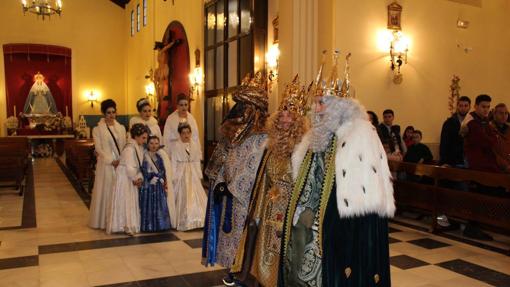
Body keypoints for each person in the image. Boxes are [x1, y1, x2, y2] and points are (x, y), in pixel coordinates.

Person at [279, 78, 395, 286]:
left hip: (348, 221)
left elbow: (365, 191)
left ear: (338, 105)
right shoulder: (317, 136)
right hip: (317, 215)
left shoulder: (361, 134)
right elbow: (312, 177)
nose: (316, 109)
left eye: (321, 103)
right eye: (315, 103)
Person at [230, 75, 309, 286]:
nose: (283, 117)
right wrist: (256, 213)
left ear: (297, 119)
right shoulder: (270, 145)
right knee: (266, 250)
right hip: (269, 207)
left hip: (291, 207)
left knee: (286, 251)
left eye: (289, 113)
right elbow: (264, 179)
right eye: (282, 111)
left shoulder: (304, 147)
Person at [202, 73, 268, 286]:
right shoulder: (235, 132)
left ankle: (245, 272)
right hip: (230, 193)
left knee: (245, 235)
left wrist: (233, 187)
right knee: (229, 234)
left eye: (244, 106)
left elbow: (254, 167)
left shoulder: (263, 137)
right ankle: (232, 267)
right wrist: (221, 182)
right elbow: (225, 160)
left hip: (246, 196)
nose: (238, 111)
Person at [89, 99, 126, 229]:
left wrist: (121, 160)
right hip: (106, 164)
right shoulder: (97, 130)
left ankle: (119, 220)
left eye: (113, 112)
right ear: (104, 114)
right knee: (106, 190)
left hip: (120, 163)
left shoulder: (121, 128)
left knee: (119, 190)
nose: (111, 115)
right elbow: (99, 148)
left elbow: (124, 145)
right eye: (108, 113)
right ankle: (105, 221)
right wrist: (111, 161)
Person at [106, 123, 149, 235]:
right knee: (126, 199)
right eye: (143, 138)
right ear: (136, 136)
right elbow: (130, 167)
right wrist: (136, 179)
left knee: (129, 199)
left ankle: (126, 224)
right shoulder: (130, 148)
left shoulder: (136, 146)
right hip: (125, 177)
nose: (145, 141)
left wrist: (138, 177)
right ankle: (123, 224)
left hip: (128, 176)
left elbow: (136, 166)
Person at [171, 122, 207, 231]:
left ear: (191, 133)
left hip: (192, 172)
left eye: (188, 133)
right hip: (181, 172)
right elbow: (173, 162)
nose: (186, 135)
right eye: (183, 133)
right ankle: (184, 220)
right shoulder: (176, 146)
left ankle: (198, 219)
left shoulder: (194, 144)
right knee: (184, 195)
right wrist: (174, 176)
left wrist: (198, 174)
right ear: (180, 134)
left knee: (196, 194)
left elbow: (196, 160)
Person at [139, 136, 173, 232]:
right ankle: (148, 226)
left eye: (156, 143)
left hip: (158, 185)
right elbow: (143, 169)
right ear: (147, 144)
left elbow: (163, 169)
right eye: (151, 143)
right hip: (148, 185)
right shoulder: (144, 156)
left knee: (160, 204)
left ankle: (160, 225)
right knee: (148, 204)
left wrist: (160, 177)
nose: (154, 146)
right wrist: (150, 177)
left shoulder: (160, 156)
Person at [460, 94, 499, 172]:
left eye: (488, 107)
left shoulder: (484, 120)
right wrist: (493, 139)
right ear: (476, 106)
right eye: (483, 107)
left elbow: (493, 138)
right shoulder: (471, 121)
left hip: (486, 159)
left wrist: (493, 139)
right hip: (476, 162)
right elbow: (484, 141)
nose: (486, 110)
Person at [439, 96, 471, 167]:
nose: (463, 108)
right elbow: (444, 143)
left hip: (468, 160)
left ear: (469, 107)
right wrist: (444, 161)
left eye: (466, 106)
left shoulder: (472, 122)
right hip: (452, 160)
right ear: (457, 107)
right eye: (461, 106)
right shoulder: (449, 122)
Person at [491, 103, 510, 173]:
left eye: (506, 113)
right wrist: (505, 165)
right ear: (494, 115)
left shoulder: (509, 130)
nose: (504, 116)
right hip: (497, 168)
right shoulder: (489, 129)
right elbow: (492, 152)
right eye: (501, 113)